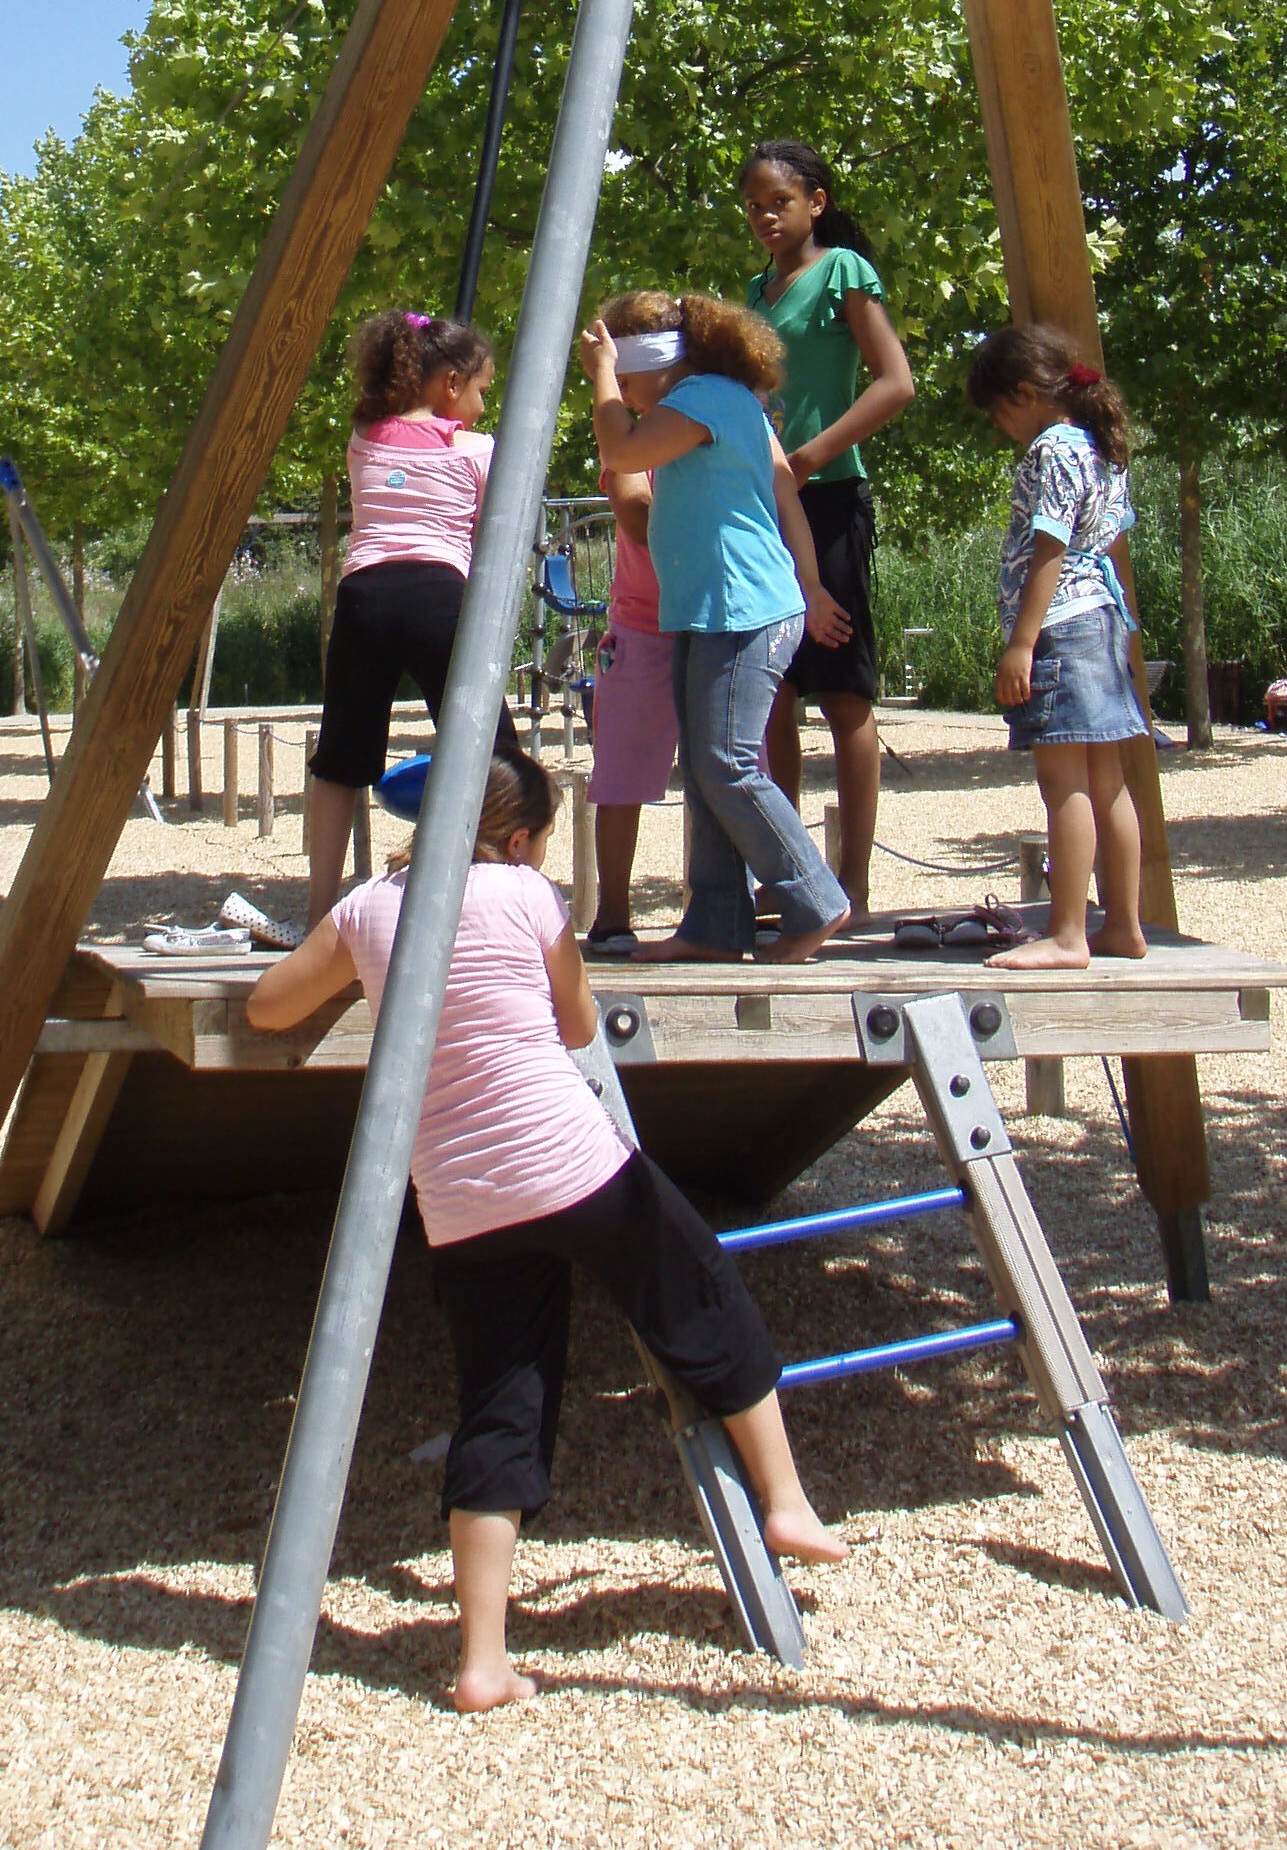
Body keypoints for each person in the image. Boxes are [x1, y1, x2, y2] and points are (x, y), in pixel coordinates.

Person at [245, 749, 846, 1710]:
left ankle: (483, 1658)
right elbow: (573, 1024)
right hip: (568, 1161)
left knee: (501, 1400)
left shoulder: (369, 910)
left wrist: (368, 974)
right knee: (697, 1289)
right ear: (517, 840)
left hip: (461, 1198)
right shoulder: (525, 897)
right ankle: (784, 1500)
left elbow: (268, 1006)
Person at [580, 293, 852, 962]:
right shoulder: (717, 399)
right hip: (707, 611)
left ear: (652, 365)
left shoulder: (702, 398)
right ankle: (715, 925)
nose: (627, 396)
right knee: (706, 774)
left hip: (744, 611)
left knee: (726, 766)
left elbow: (620, 448)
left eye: (629, 379)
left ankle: (816, 900)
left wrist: (602, 377)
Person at [740, 141, 915, 920]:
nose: (765, 216)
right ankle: (789, 878)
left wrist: (810, 456)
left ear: (816, 200)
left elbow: (897, 382)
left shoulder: (844, 270)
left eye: (778, 200)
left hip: (829, 497)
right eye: (753, 206)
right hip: (762, 506)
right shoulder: (755, 292)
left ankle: (854, 882)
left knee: (842, 693)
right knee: (772, 691)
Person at [305, 308, 520, 931]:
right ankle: (503, 895)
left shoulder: (364, 437)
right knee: (494, 750)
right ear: (450, 384)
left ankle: (320, 910)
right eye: (481, 389)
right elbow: (487, 538)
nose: (483, 405)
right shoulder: (477, 448)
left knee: (342, 757)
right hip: (436, 596)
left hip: (363, 597)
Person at [964, 324, 1151, 974]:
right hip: (1101, 619)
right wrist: (1130, 632)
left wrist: (1022, 642)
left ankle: (1069, 932)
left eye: (997, 414)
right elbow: (1114, 546)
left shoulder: (1051, 450)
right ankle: (1123, 925)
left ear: (1023, 394)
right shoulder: (1102, 446)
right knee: (1109, 782)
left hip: (1060, 626)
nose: (1000, 428)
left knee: (1061, 781)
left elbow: (1050, 546)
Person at [578, 290, 681, 960]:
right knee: (619, 772)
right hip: (643, 625)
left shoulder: (705, 419)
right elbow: (635, 514)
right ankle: (612, 911)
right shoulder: (633, 439)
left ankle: (720, 904)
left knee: (729, 770)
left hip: (712, 623)